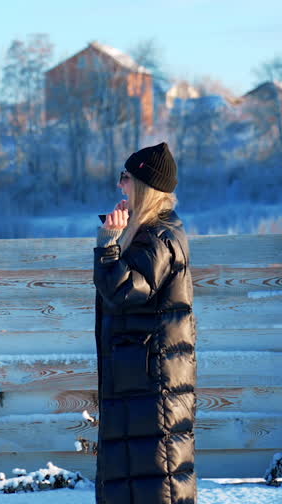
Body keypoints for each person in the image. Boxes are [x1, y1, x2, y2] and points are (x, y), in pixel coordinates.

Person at [93, 142, 195, 504]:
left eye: (126, 178)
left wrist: (108, 245)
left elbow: (122, 292)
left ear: (145, 186)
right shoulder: (146, 233)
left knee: (157, 485)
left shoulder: (159, 238)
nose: (120, 186)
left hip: (152, 390)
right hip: (138, 385)